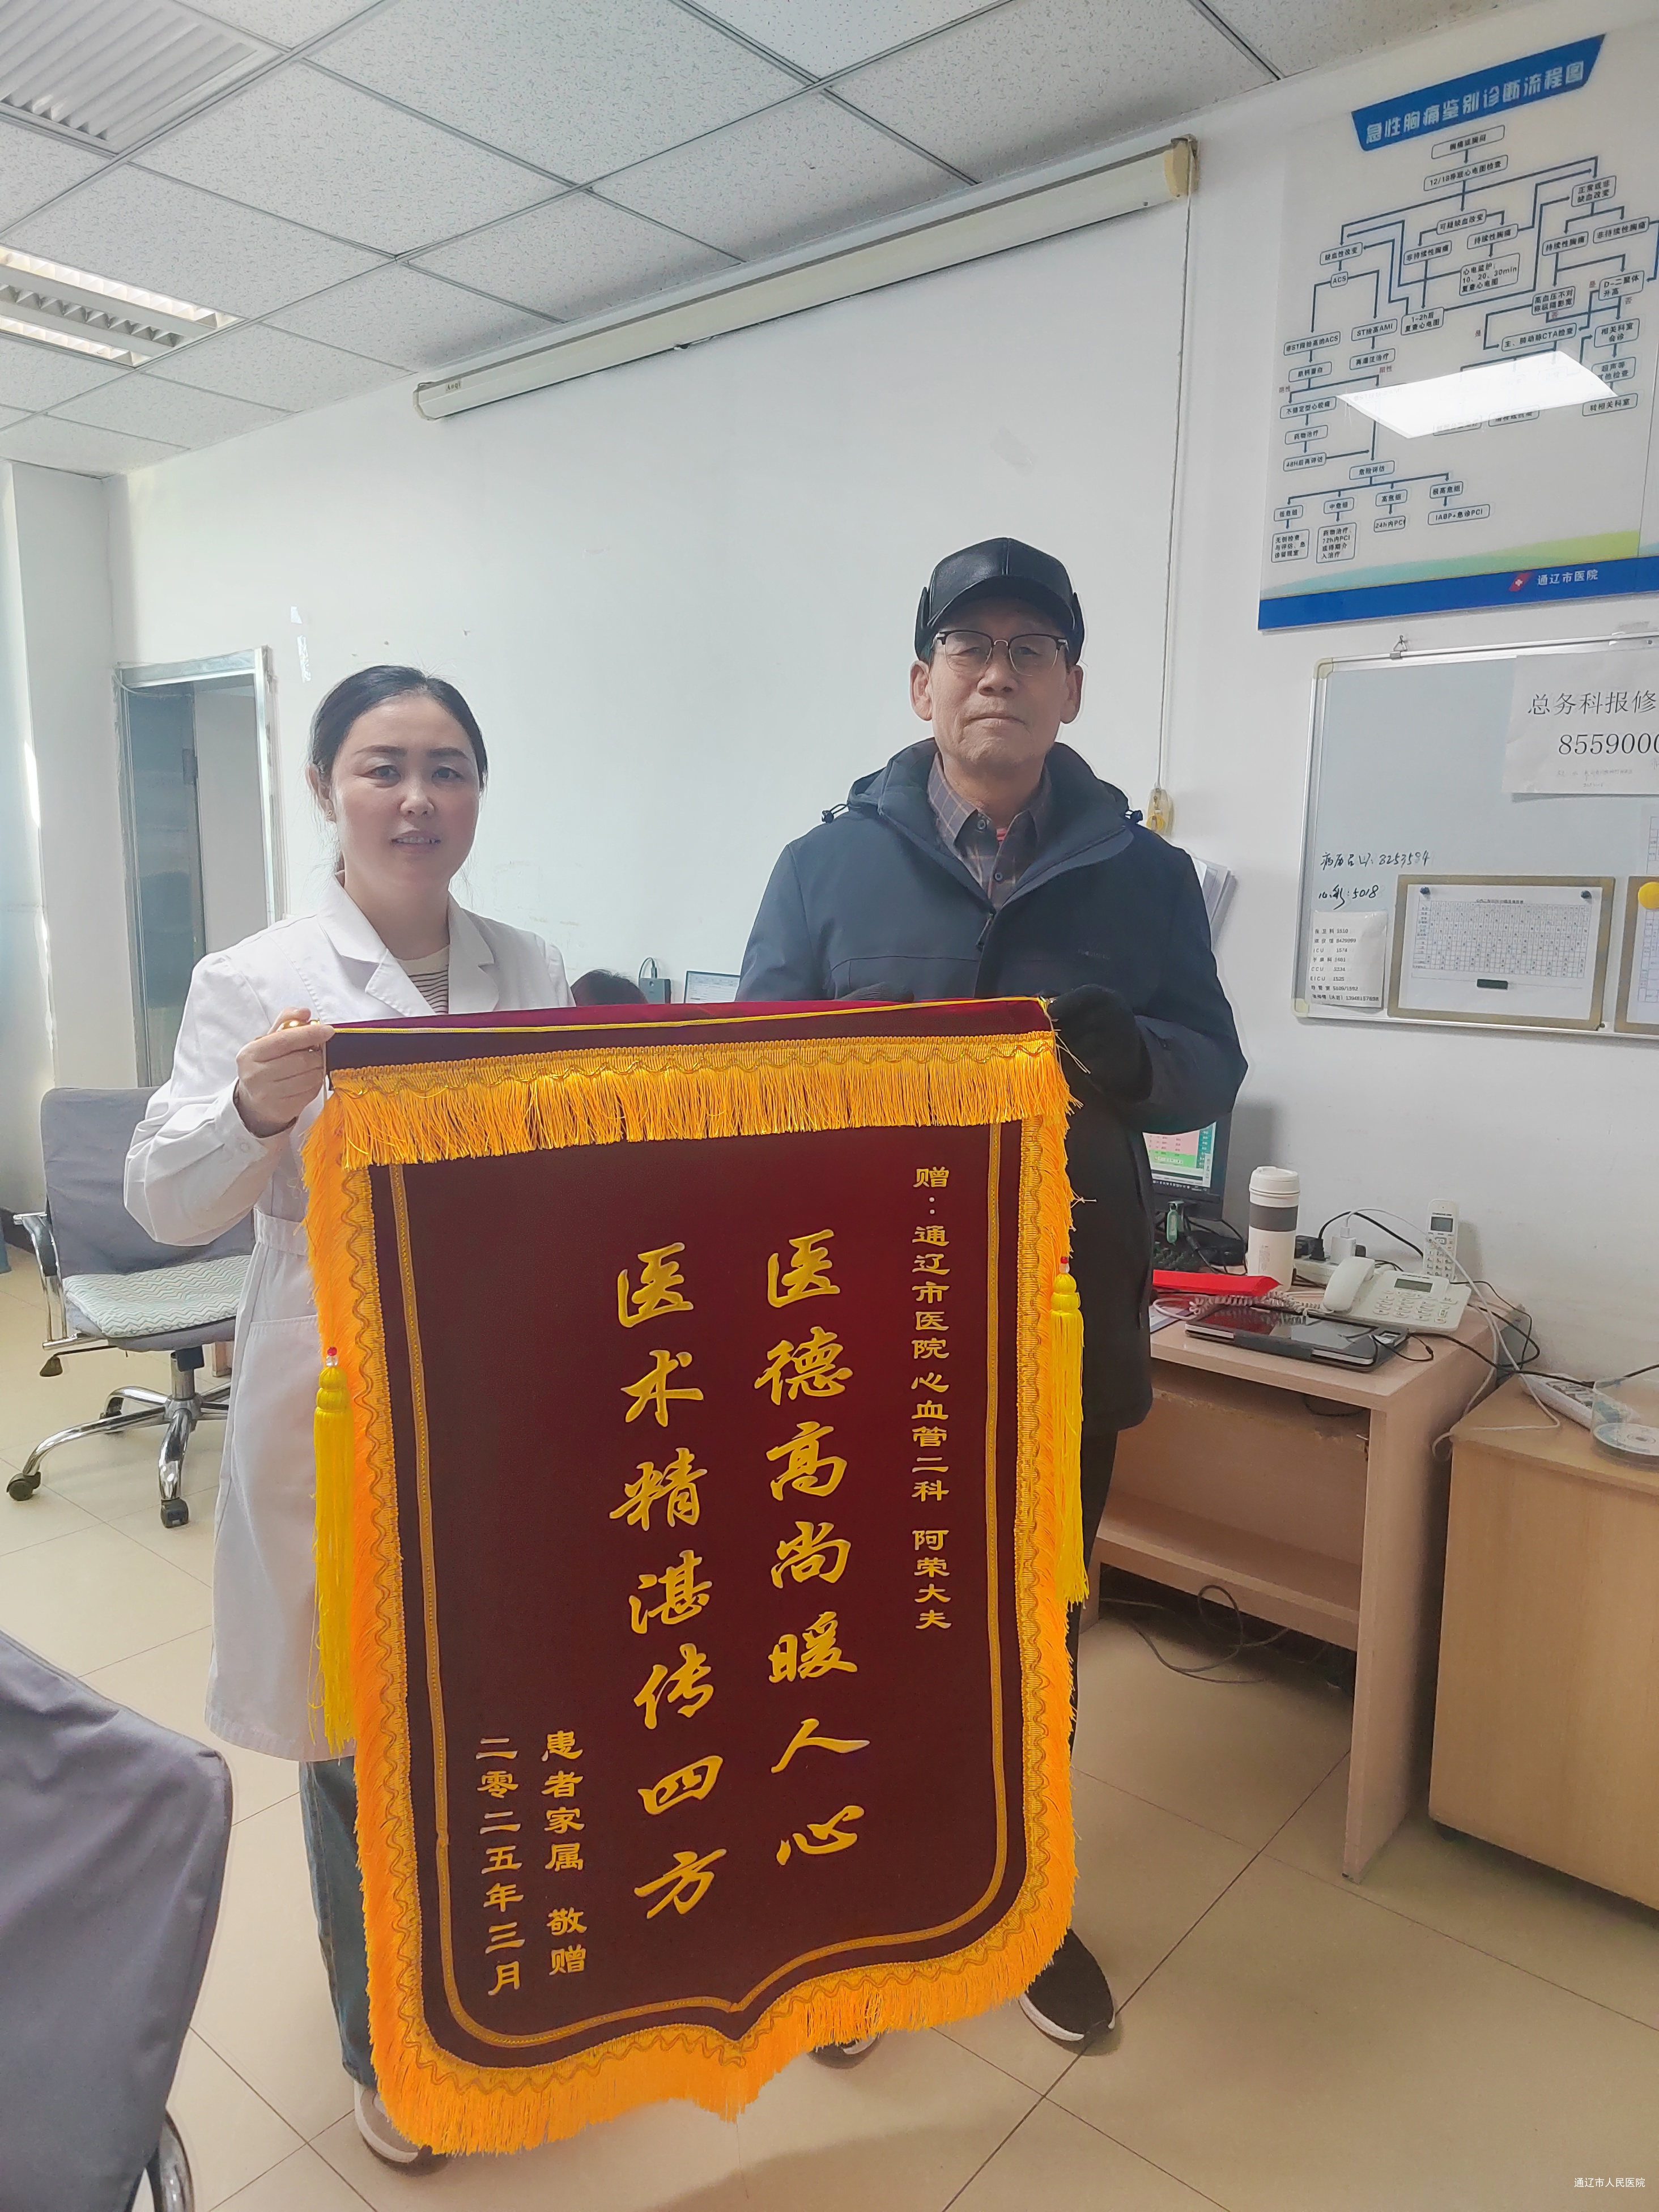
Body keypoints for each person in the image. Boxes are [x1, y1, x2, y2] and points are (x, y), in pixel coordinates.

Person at [739, 537, 1245, 2051]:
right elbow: (747, 1073)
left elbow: (1210, 1065)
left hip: (1057, 1316)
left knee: (1036, 1618)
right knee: (860, 1613)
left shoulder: (1145, 876)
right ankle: (859, 1896)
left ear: (1071, 689)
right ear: (923, 684)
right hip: (862, 1323)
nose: (998, 675)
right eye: (970, 649)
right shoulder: (823, 867)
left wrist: (1135, 1062)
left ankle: (1022, 1901)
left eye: (1032, 650)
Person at [126, 665, 572, 2170]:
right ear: (326, 787)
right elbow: (163, 1200)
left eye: (449, 768)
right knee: (358, 1728)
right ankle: (386, 2039)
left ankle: (499, 1982)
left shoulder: (529, 963)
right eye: (384, 767)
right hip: (336, 1399)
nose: (418, 798)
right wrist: (254, 1111)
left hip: (501, 1391)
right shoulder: (252, 978)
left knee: (493, 1705)